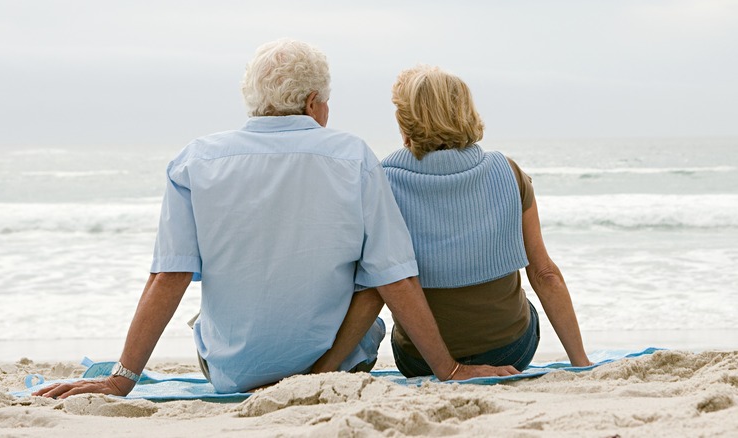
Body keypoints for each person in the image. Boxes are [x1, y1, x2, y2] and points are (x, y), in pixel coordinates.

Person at [34, 41, 518, 399]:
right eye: (325, 101)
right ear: (313, 103)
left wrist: (122, 378)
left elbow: (169, 276)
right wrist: (449, 370)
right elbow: (394, 276)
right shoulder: (354, 157)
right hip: (339, 368)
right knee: (362, 269)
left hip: (231, 373)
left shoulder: (195, 161)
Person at [381, 65, 591, 377]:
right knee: (525, 310)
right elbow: (544, 273)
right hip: (510, 351)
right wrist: (582, 365)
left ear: (405, 121)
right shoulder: (506, 171)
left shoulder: (383, 182)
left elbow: (382, 282)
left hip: (421, 360)